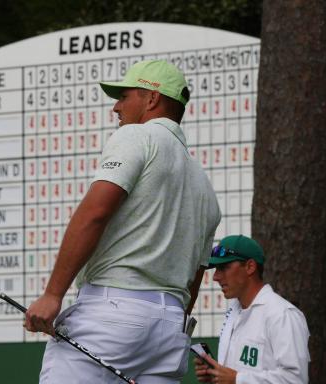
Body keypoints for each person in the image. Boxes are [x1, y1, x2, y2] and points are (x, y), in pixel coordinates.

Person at [24, 59, 221, 383]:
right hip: (170, 329)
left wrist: (52, 295)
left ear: (152, 98)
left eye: (124, 95)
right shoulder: (205, 186)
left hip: (113, 315)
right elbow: (195, 278)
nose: (116, 106)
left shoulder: (137, 137)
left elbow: (96, 212)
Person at [194, 235, 310, 384]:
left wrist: (237, 379)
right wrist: (216, 376)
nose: (215, 276)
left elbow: (295, 379)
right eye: (216, 269)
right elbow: (240, 372)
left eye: (224, 267)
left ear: (250, 267)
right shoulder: (234, 310)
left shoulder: (283, 314)